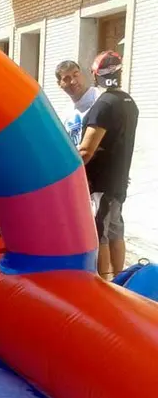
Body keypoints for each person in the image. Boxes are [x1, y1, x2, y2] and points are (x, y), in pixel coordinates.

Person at [78, 51, 139, 279]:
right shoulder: (128, 102)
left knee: (100, 233)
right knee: (115, 231)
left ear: (96, 76)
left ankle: (104, 282)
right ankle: (120, 281)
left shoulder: (103, 105)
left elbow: (86, 150)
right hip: (119, 180)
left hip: (102, 182)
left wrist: (67, 170)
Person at [56, 60, 100, 145]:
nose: (73, 81)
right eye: (66, 79)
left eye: (75, 75)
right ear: (59, 84)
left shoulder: (99, 98)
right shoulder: (65, 114)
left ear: (82, 74)